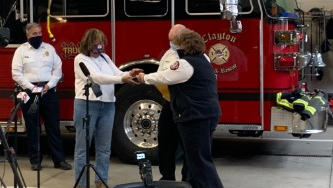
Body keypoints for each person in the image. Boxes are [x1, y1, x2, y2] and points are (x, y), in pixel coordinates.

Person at [136, 29, 224, 188]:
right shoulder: (204, 59)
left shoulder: (184, 64)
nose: (175, 46)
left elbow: (165, 76)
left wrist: (144, 78)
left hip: (194, 116)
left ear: (184, 45)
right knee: (199, 159)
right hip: (207, 114)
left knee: (199, 162)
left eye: (177, 43)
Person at [73, 28, 142, 188]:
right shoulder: (80, 59)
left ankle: (101, 181)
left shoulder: (105, 57)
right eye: (97, 45)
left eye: (102, 44)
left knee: (104, 147)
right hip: (87, 105)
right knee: (82, 147)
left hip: (108, 105)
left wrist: (130, 73)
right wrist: (122, 78)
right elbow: (97, 78)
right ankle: (81, 184)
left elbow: (116, 72)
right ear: (88, 44)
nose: (100, 48)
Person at [11, 22, 72, 171]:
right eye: (34, 34)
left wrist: (48, 85)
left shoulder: (49, 49)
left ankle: (59, 160)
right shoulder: (20, 50)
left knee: (53, 127)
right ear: (27, 35)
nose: (38, 36)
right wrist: (33, 88)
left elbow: (57, 70)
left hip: (48, 91)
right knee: (33, 127)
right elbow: (16, 73)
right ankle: (35, 160)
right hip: (29, 91)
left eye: (39, 33)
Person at [156, 24, 187, 181]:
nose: (171, 43)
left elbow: (172, 76)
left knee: (187, 143)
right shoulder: (168, 53)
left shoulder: (191, 54)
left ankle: (187, 178)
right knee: (165, 140)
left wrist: (146, 78)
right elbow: (161, 74)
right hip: (169, 102)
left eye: (173, 40)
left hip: (184, 104)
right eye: (170, 40)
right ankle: (167, 177)